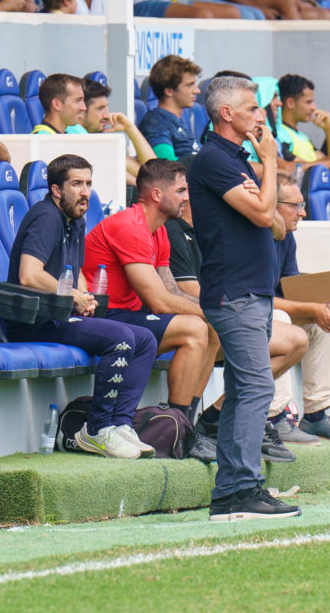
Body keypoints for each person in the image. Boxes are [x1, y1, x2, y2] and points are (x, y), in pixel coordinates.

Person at [188, 74, 301, 521]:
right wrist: (269, 163)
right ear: (227, 114)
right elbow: (261, 213)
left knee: (243, 389)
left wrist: (264, 201)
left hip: (250, 291)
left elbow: (275, 222)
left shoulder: (234, 159)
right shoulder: (214, 159)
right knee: (256, 387)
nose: (261, 114)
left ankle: (233, 492)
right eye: (253, 107)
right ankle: (243, 489)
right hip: (234, 292)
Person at [8, 154, 158, 459]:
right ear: (56, 190)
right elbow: (29, 274)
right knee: (121, 339)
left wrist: (84, 296)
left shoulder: (75, 219)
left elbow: (73, 270)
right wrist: (72, 296)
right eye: (77, 183)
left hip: (59, 315)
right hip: (32, 319)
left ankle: (120, 425)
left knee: (145, 339)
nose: (85, 191)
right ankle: (97, 428)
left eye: (88, 183)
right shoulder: (46, 217)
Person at [82, 159, 219, 459]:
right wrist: (214, 312)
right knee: (196, 327)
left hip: (131, 316)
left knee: (210, 328)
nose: (187, 197)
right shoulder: (129, 226)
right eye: (181, 190)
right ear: (157, 195)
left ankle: (186, 425)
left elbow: (171, 288)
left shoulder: (159, 229)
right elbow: (160, 301)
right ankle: (179, 428)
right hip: (104, 316)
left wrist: (212, 310)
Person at [266, 171, 330, 442]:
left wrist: (322, 308)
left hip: (270, 311)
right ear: (272, 205)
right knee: (283, 316)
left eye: (302, 205)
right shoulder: (253, 236)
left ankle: (316, 414)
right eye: (295, 206)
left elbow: (289, 289)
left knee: (318, 323)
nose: (303, 213)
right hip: (247, 314)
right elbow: (258, 297)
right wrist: (311, 307)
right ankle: (275, 416)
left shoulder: (286, 238)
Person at [75, 77, 156, 185]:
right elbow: (153, 178)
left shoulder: (99, 140)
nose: (107, 115)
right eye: (100, 108)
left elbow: (153, 171)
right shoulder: (74, 138)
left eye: (106, 108)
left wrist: (129, 127)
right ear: (82, 110)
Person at [138, 55, 202, 162]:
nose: (197, 91)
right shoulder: (155, 124)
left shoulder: (177, 121)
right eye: (190, 85)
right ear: (169, 91)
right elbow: (168, 167)